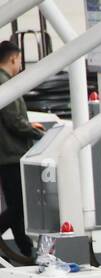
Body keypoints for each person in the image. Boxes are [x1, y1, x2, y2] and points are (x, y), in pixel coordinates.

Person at [0, 41, 42, 260]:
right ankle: (26, 250)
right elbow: (12, 119)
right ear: (14, 58)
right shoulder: (5, 84)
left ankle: (26, 251)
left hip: (7, 154)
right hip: (11, 154)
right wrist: (33, 131)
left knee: (17, 206)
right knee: (20, 206)